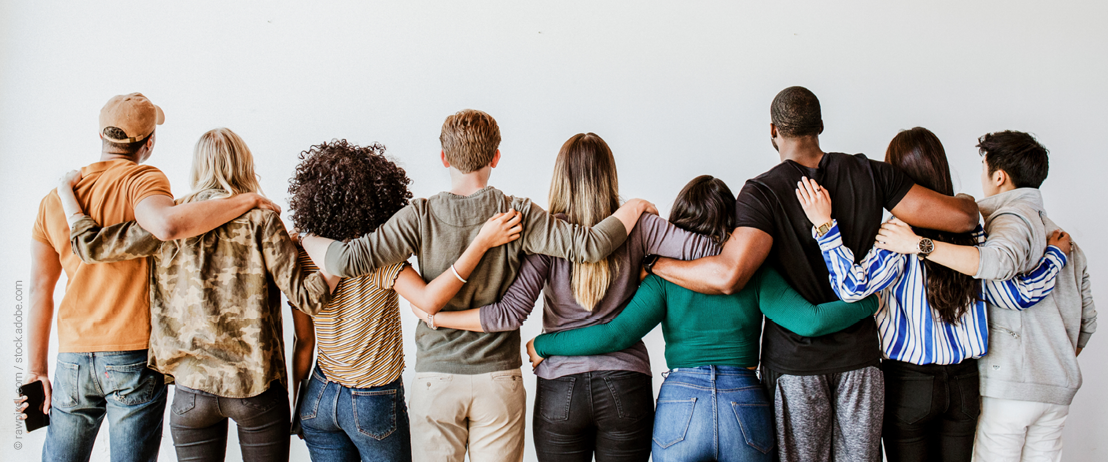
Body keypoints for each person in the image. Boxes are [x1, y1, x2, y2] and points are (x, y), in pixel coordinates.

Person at [297, 110, 657, 462]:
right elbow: (589, 246)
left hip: (435, 378)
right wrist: (635, 206)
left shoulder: (418, 216)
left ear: (443, 157)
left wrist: (308, 238)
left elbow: (345, 260)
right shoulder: (517, 213)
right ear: (496, 157)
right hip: (498, 378)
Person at [646, 87, 980, 462]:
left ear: (772, 130)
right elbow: (963, 218)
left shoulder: (761, 192)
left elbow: (729, 276)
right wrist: (967, 202)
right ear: (820, 125)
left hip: (795, 367)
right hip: (861, 363)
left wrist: (656, 264)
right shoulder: (871, 173)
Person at [521, 174, 881, 462]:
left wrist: (544, 342)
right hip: (744, 401)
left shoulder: (663, 278)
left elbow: (613, 335)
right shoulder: (750, 273)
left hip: (681, 405)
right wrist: (871, 302)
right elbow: (811, 320)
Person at [408, 134, 717, 461]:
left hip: (560, 389)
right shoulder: (641, 226)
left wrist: (436, 317)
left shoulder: (548, 235)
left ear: (560, 177)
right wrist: (653, 262)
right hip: (626, 385)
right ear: (609, 175)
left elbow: (508, 314)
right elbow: (711, 251)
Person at [16, 94, 279, 462]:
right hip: (131, 354)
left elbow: (39, 290)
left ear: (101, 135)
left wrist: (36, 371)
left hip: (71, 358)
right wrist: (245, 200)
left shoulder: (55, 200)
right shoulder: (144, 180)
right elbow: (168, 224)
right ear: (149, 142)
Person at [56, 128, 338, 462]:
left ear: (198, 168)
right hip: (256, 388)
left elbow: (91, 246)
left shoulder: (170, 219)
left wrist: (65, 193)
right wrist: (340, 259)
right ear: (244, 164)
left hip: (191, 393)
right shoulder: (262, 221)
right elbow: (308, 299)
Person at [793, 127, 1070, 462]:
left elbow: (852, 288)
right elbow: (1017, 295)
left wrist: (825, 226)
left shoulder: (897, 234)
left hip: (909, 384)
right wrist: (1055, 257)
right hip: (965, 385)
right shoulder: (975, 231)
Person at [285, 140, 523, 461]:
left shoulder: (302, 254)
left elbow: (303, 341)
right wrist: (480, 243)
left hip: (319, 396)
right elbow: (428, 300)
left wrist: (300, 405)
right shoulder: (382, 258)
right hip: (373, 400)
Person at [873, 130, 1097, 461]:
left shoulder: (995, 227)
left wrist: (918, 246)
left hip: (1000, 386)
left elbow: (1000, 276)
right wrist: (1054, 362)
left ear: (999, 176)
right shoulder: (1059, 238)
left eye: (983, 168)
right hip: (1046, 389)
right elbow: (1088, 321)